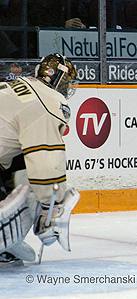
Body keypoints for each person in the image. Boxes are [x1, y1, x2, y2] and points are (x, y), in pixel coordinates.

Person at [0, 53, 80, 266]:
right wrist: (51, 207)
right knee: (28, 175)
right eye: (67, 82)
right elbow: (45, 162)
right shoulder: (50, 101)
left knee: (17, 164)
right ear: (58, 79)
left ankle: (5, 245)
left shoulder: (19, 86)